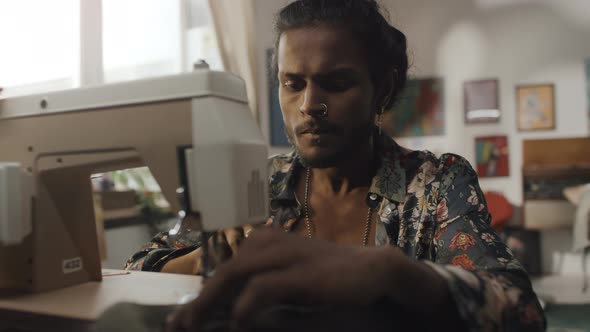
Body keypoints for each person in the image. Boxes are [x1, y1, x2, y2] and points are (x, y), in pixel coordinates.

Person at [127, 0, 546, 330]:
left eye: (337, 83)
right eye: (293, 84)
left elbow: (519, 310)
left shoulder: (435, 185)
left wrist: (390, 272)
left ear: (382, 88)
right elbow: (136, 267)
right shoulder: (259, 183)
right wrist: (211, 256)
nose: (310, 106)